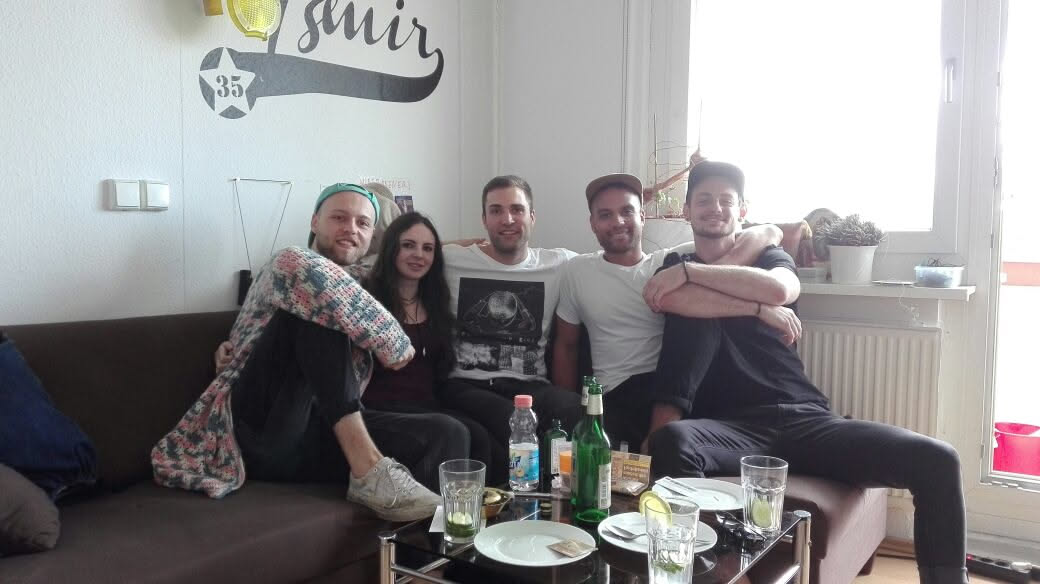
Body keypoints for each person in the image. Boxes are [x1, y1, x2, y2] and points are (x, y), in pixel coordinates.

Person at [643, 161, 967, 584]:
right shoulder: (672, 263)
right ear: (686, 210)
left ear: (743, 210)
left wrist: (692, 274)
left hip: (804, 420)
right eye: (704, 200)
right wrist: (758, 309)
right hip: (733, 430)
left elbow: (780, 289)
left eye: (726, 200)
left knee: (938, 460)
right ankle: (721, 573)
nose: (715, 208)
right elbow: (669, 300)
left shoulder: (766, 256)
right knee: (672, 440)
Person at [153, 183, 466, 522]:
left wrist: (476, 244)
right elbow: (305, 271)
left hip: (319, 433)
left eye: (362, 223)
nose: (351, 229)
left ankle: (429, 547)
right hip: (257, 432)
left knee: (447, 432)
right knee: (316, 309)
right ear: (315, 222)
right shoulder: (287, 266)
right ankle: (369, 471)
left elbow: (408, 254)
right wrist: (391, 337)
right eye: (339, 218)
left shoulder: (364, 281)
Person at [552, 172, 787, 451]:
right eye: (605, 215)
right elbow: (566, 346)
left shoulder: (671, 262)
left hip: (673, 388)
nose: (618, 222)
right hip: (616, 394)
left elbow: (767, 233)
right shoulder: (577, 271)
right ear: (592, 223)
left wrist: (761, 305)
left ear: (642, 217)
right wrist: (568, 411)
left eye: (627, 211)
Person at [361, 211, 508, 484]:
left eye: (428, 248)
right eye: (408, 245)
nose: (419, 255)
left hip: (425, 406)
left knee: (484, 439)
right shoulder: (366, 298)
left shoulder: (436, 303)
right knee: (454, 431)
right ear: (391, 248)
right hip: (378, 410)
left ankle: (484, 508)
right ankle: (428, 508)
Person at [437, 175, 584, 447]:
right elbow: (402, 247)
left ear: (532, 217)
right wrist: (453, 243)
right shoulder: (452, 260)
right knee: (513, 421)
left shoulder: (559, 264)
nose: (507, 219)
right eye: (496, 211)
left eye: (517, 209)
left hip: (531, 387)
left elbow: (607, 261)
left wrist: (671, 271)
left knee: (576, 409)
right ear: (484, 220)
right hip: (466, 384)